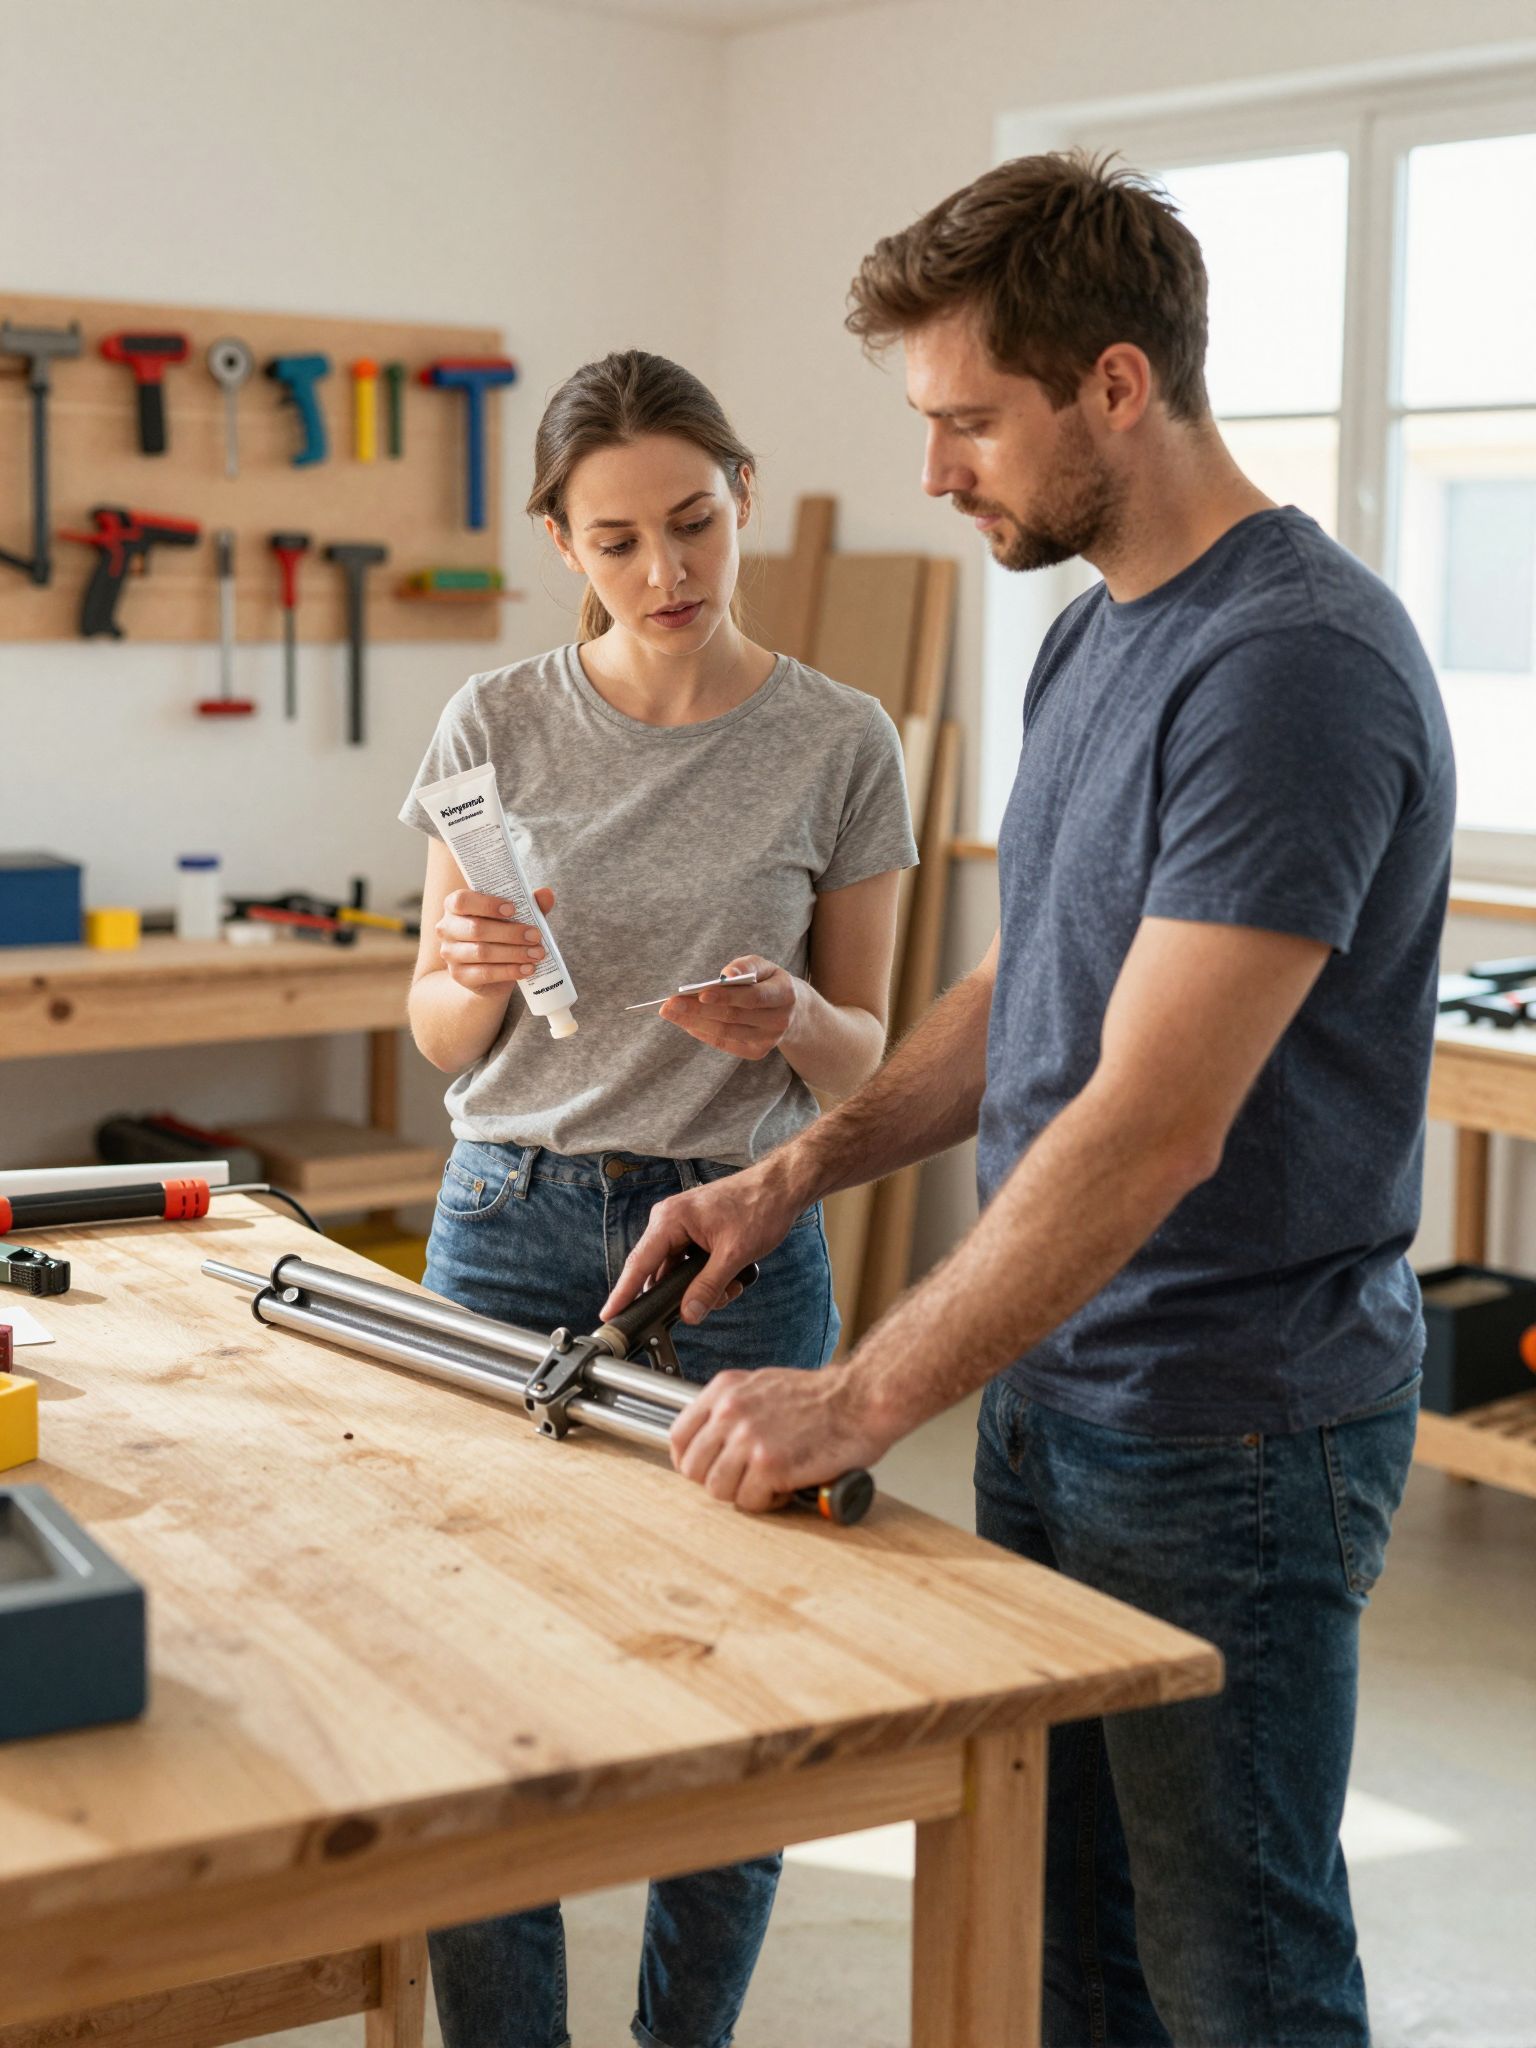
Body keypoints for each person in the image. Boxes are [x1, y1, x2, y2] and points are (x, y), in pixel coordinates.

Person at [604, 155, 1456, 2047]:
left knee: (1237, 1973)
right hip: (1067, 1392)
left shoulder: (1289, 668)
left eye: (970, 421)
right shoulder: (1095, 630)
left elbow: (1156, 1120)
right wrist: (798, 1172)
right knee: (1074, 1948)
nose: (937, 472)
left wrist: (861, 1394)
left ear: (1120, 388)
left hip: (1228, 1433)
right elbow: (1039, 992)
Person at [399, 349, 917, 2048]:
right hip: (505, 1216)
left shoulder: (842, 741)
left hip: (735, 1245)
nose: (667, 574)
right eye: (618, 541)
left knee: (742, 1669)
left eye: (694, 523)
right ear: (561, 539)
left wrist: (798, 1022)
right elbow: (437, 1030)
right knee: (480, 1677)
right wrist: (467, 965)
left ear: (743, 496)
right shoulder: (493, 726)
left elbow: (873, 1064)